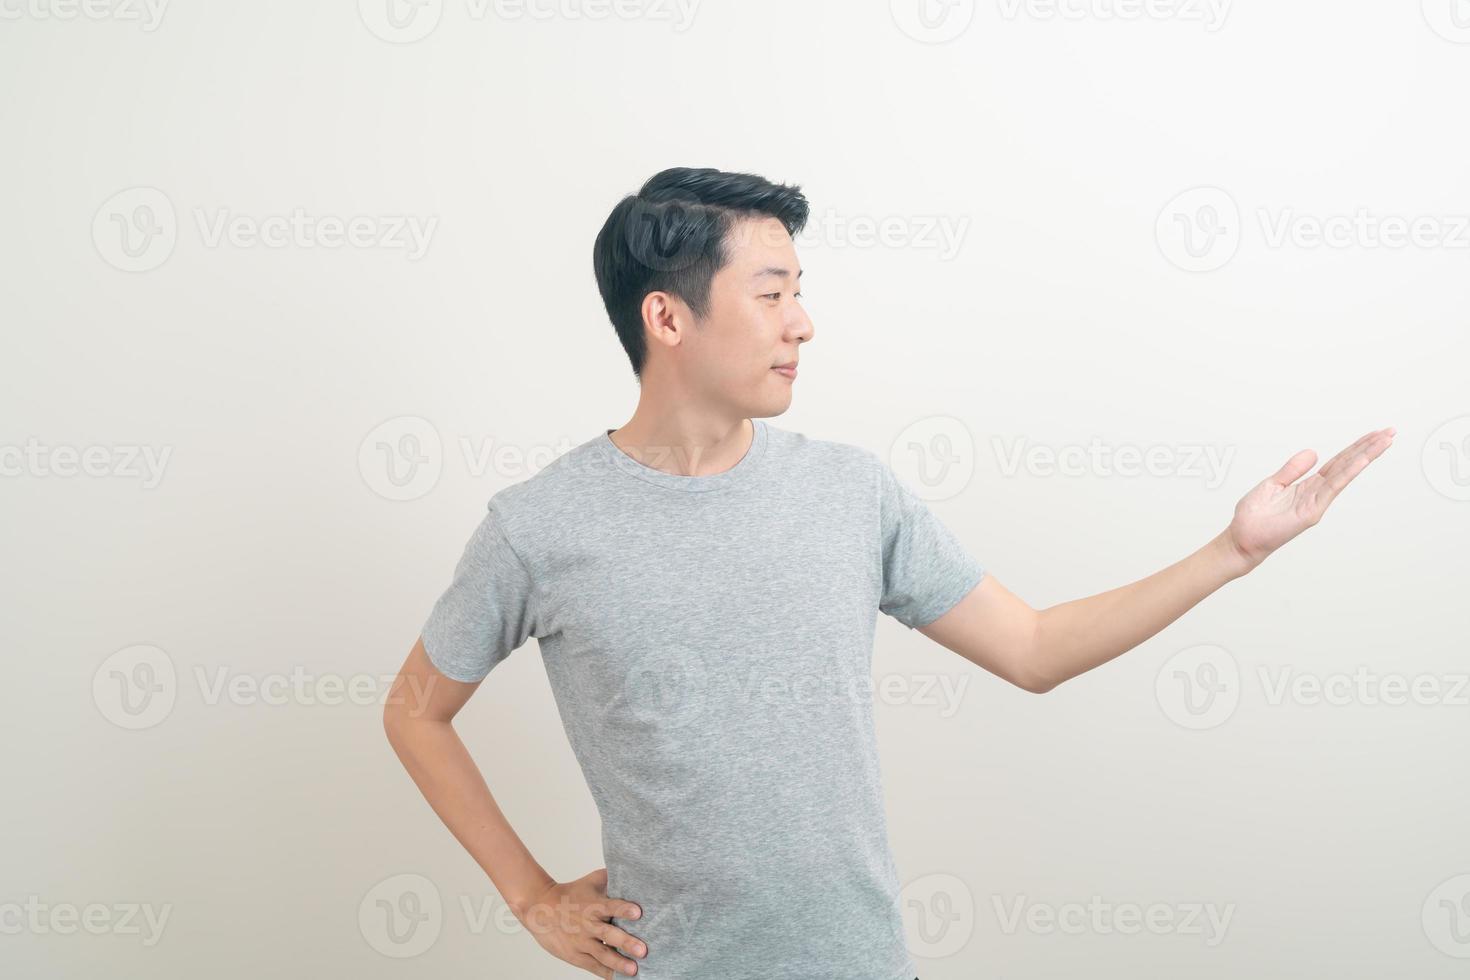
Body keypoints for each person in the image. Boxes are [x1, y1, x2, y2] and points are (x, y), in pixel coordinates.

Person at [382, 166, 1394, 979]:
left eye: (801, 293)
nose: (802, 323)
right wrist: (530, 895)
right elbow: (414, 709)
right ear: (668, 318)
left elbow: (1034, 648)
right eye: (772, 293)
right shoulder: (540, 526)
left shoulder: (851, 493)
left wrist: (1232, 553)